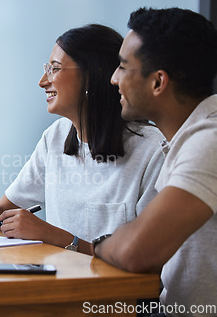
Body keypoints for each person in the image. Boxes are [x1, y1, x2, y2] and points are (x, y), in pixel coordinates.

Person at [0, 24, 165, 254]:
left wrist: (56, 236)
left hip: (115, 299)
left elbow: (147, 258)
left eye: (54, 69)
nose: (42, 81)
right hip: (59, 289)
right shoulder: (56, 137)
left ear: (92, 75)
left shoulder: (152, 150)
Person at [92, 8, 217, 317]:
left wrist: (101, 245)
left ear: (158, 82)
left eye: (122, 67)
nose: (113, 79)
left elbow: (137, 252)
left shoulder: (208, 141)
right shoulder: (188, 139)